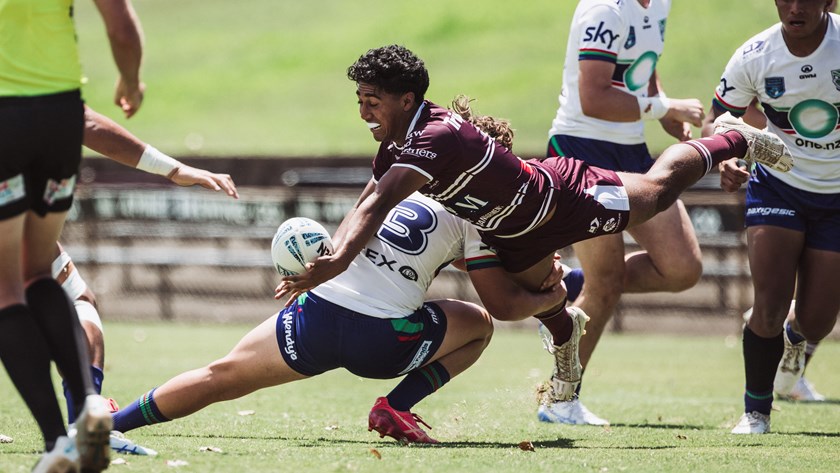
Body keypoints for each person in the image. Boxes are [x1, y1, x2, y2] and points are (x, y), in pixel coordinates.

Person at [277, 44, 793, 418]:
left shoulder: (430, 137)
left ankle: (732, 140)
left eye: (372, 100)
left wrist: (338, 261)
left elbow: (381, 203)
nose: (364, 110)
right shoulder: (394, 146)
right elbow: (367, 201)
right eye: (360, 99)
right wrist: (328, 263)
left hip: (559, 198)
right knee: (520, 303)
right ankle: (568, 348)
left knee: (657, 193)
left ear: (406, 99)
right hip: (512, 234)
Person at [108, 186, 568, 445]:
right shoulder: (477, 212)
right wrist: (551, 294)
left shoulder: (396, 180)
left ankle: (112, 425)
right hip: (384, 343)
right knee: (480, 327)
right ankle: (397, 406)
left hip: (317, 318)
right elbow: (499, 298)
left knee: (219, 375)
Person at [540, 0, 706, 425]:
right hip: (581, 152)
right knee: (608, 284)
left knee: (683, 268)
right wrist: (665, 108)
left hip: (631, 151)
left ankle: (578, 290)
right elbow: (593, 97)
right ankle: (559, 403)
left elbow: (642, 65)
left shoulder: (659, 4)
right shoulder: (604, 10)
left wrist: (659, 103)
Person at [0, 1, 143, 471]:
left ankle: (55, 441)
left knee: (6, 289)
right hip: (62, 117)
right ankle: (87, 410)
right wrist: (130, 79)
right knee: (39, 270)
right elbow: (121, 28)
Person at [51, 105, 239, 456]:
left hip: (24, 221)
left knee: (79, 300)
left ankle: (85, 422)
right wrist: (175, 169)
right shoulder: (34, 77)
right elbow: (87, 123)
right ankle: (84, 426)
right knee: (71, 305)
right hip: (16, 218)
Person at [700, 0, 839, 434]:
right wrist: (724, 158)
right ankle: (755, 412)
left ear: (829, 2)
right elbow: (718, 119)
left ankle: (797, 340)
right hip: (778, 186)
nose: (795, 7)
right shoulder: (755, 55)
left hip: (835, 199)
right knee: (770, 302)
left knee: (818, 321)